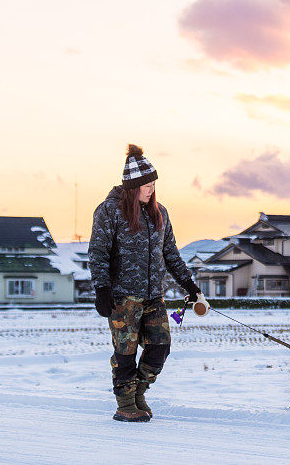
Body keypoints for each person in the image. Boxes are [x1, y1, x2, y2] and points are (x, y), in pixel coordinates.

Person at [88, 143, 201, 422]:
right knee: (124, 351)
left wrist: (189, 285)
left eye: (153, 184)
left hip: (153, 296)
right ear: (132, 186)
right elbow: (98, 253)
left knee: (160, 346)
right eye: (146, 185)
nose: (151, 189)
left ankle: (138, 392)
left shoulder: (159, 211)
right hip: (122, 297)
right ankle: (125, 403)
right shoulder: (109, 211)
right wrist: (101, 290)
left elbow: (170, 252)